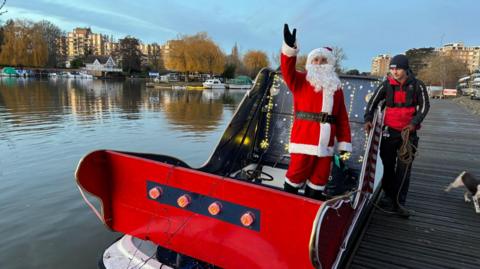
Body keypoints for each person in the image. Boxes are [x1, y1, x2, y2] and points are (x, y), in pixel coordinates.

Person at [281, 24, 352, 200]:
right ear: (310, 63)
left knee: (319, 180)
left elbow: (342, 118)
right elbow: (287, 69)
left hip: (326, 144)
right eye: (316, 60)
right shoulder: (300, 81)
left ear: (330, 63)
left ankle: (311, 209)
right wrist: (290, 49)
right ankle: (286, 206)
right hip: (304, 139)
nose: (319, 64)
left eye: (323, 60)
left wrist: (344, 142)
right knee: (295, 175)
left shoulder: (336, 87)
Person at [364, 54, 430, 217]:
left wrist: (414, 123)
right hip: (389, 131)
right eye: (392, 68)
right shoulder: (386, 85)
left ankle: (399, 201)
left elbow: (424, 106)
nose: (394, 71)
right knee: (387, 165)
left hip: (408, 133)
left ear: (406, 69)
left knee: (404, 168)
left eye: (398, 68)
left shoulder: (417, 85)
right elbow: (372, 103)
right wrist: (368, 119)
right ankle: (388, 196)